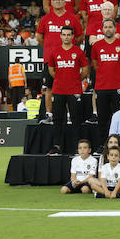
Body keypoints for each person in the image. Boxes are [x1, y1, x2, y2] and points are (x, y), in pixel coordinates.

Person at [37, 0, 84, 122]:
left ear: (65, 2)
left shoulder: (72, 18)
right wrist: (51, 50)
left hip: (70, 60)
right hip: (50, 60)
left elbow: (79, 36)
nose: (58, 1)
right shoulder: (45, 19)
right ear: (51, 2)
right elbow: (40, 38)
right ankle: (49, 115)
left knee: (69, 87)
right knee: (49, 88)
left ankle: (69, 116)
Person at [46, 26, 88, 154]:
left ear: (73, 36)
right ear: (60, 36)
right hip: (58, 90)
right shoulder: (55, 52)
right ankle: (57, 146)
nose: (66, 37)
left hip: (74, 90)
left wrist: (75, 79)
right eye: (64, 34)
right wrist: (61, 79)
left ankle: (78, 147)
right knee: (58, 119)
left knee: (76, 119)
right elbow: (51, 70)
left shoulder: (78, 52)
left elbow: (85, 70)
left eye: (69, 35)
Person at [91, 19, 120, 136]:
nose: (108, 29)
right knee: (102, 117)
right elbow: (95, 64)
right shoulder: (96, 46)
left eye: (110, 27)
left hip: (118, 86)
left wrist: (118, 74)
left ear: (115, 29)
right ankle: (103, 144)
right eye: (106, 27)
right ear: (102, 29)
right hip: (102, 86)